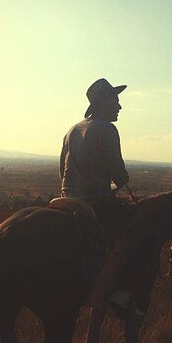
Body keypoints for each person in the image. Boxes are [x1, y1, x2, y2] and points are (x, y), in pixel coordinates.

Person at [59, 77, 140, 319]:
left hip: (66, 200)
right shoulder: (107, 129)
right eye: (115, 100)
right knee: (133, 233)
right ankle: (121, 293)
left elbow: (61, 170)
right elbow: (119, 175)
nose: (119, 106)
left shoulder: (72, 130)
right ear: (103, 102)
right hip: (93, 202)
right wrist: (120, 180)